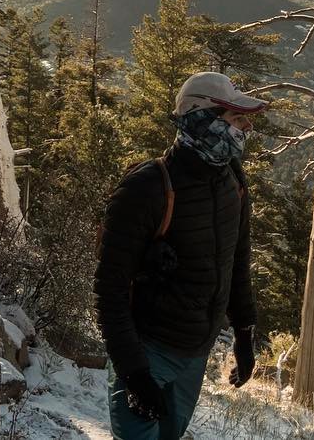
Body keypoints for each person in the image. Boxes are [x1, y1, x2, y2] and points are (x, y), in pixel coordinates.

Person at [93, 71, 264, 440]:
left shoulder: (231, 179)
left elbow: (237, 260)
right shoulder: (146, 188)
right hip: (146, 352)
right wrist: (135, 375)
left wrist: (244, 334)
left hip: (194, 354)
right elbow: (109, 291)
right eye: (236, 118)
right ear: (203, 120)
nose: (247, 127)